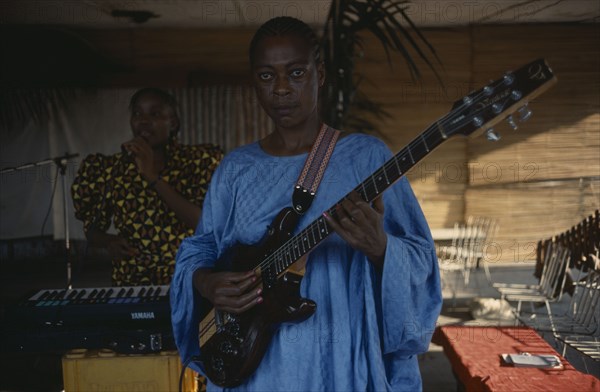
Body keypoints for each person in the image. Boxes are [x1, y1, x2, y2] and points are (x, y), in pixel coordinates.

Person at [171, 17, 441, 391]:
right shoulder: (236, 169)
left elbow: (421, 259)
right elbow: (203, 248)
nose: (281, 89)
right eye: (267, 76)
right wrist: (205, 281)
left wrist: (381, 249)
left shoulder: (366, 158)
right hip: (256, 367)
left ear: (321, 74)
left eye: (296, 72)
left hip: (342, 365)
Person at [72, 88, 223, 286]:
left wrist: (150, 175)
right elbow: (92, 231)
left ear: (173, 123)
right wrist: (108, 242)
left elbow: (204, 223)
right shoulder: (110, 168)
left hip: (188, 279)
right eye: (137, 113)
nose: (143, 121)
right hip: (132, 283)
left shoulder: (197, 162)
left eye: (155, 114)